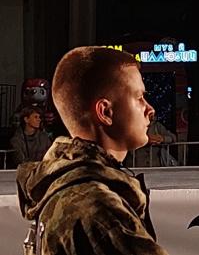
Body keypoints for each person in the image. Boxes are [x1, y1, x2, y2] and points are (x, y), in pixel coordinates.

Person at [16, 46, 167, 255]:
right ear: (105, 111)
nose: (150, 109)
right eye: (139, 97)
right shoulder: (99, 208)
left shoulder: (62, 187)